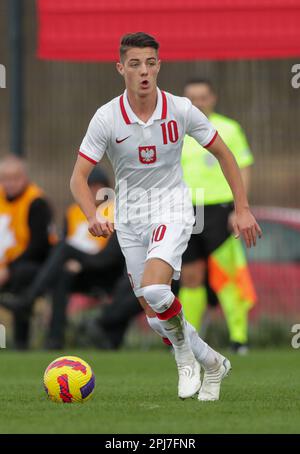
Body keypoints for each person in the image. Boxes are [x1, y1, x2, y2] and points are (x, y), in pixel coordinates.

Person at [70, 32, 262, 401]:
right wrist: (92, 214)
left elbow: (224, 153)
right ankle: (212, 362)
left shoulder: (181, 108)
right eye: (135, 64)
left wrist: (242, 208)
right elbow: (77, 177)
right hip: (129, 218)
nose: (144, 71)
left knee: (158, 290)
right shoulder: (107, 117)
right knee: (156, 315)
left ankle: (185, 356)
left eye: (150, 63)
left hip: (172, 208)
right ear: (121, 68)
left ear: (159, 66)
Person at [1, 167, 125, 350]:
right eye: (89, 187)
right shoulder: (74, 211)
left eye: (99, 187)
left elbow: (112, 256)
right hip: (76, 270)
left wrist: (80, 262)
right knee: (61, 273)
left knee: (63, 248)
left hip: (103, 271)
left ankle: (28, 300)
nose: (93, 192)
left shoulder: (116, 210)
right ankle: (54, 339)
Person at [180, 78, 257, 353]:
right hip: (185, 210)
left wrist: (240, 208)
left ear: (213, 98)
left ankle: (239, 338)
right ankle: (188, 340)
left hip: (220, 209)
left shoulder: (229, 129)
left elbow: (244, 167)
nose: (198, 102)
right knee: (190, 276)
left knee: (226, 275)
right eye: (192, 98)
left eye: (203, 97)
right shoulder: (176, 130)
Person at [0, 155, 55, 349]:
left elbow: (38, 246)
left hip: (29, 266)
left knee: (23, 275)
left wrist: (9, 269)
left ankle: (20, 342)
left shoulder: (36, 202)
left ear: (24, 177)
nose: (10, 183)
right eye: (5, 178)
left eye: (15, 177)